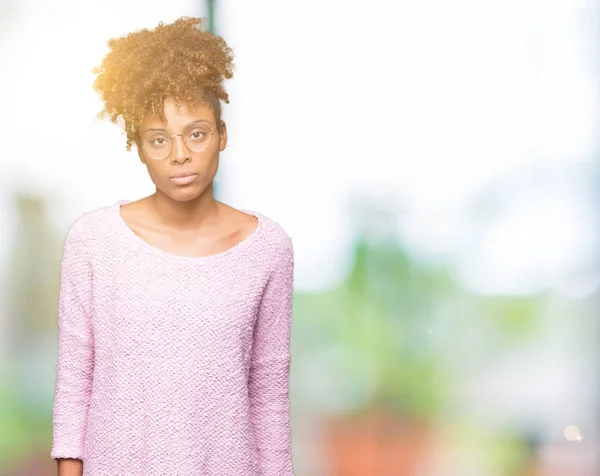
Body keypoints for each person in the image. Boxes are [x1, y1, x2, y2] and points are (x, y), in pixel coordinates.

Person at [50, 16, 295, 476]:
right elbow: (74, 382)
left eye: (196, 133)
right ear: (138, 147)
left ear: (222, 135)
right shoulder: (93, 242)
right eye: (158, 139)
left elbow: (268, 394)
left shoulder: (268, 249)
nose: (179, 154)